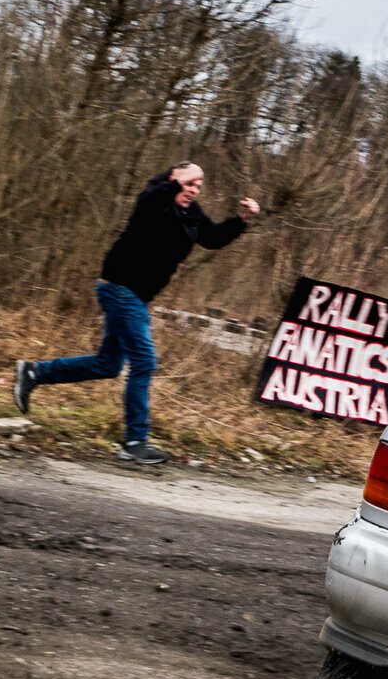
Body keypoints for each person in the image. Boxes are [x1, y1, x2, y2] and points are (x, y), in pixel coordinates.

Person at [14, 163, 259, 464]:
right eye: (189, 183)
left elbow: (211, 238)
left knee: (108, 364)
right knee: (144, 361)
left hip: (135, 296)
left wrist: (241, 221)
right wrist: (174, 184)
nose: (194, 189)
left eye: (199, 185)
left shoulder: (190, 213)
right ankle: (135, 440)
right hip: (120, 287)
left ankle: (34, 372)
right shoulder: (154, 200)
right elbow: (151, 200)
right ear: (173, 179)